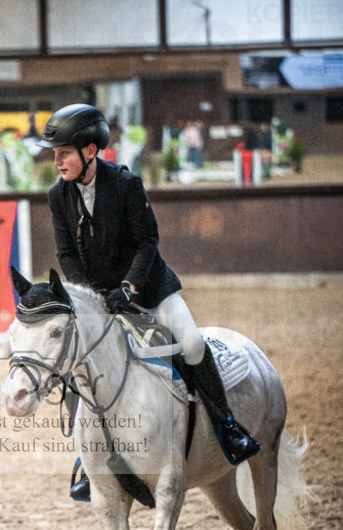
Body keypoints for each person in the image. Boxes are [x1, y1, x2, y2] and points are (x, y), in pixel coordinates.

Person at [37, 103, 259, 500]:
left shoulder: (125, 185)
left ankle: (228, 427)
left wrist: (130, 287)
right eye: (54, 154)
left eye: (63, 153)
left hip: (150, 289)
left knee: (190, 344)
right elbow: (66, 254)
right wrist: (89, 296)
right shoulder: (59, 196)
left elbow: (147, 243)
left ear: (91, 151)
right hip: (101, 299)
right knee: (77, 363)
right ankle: (85, 462)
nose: (57, 161)